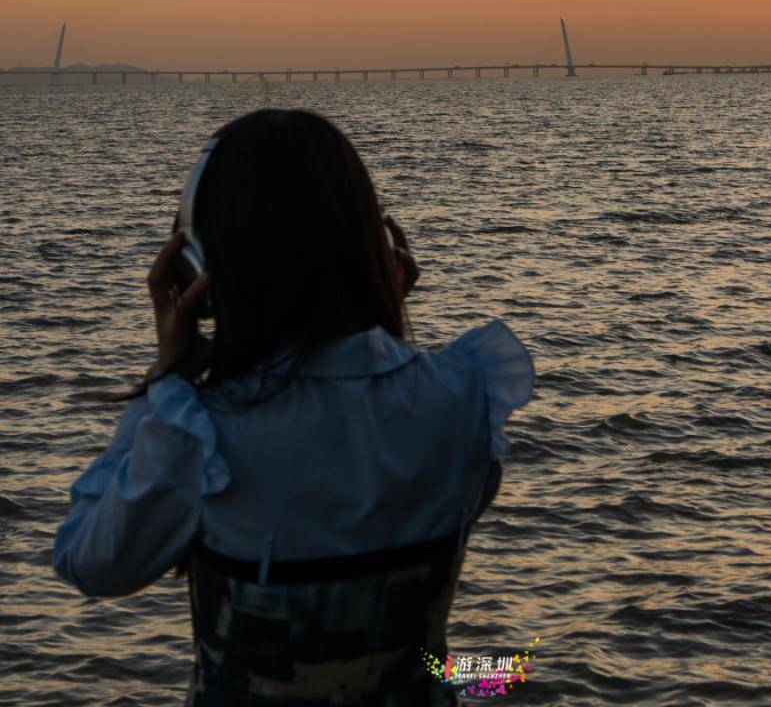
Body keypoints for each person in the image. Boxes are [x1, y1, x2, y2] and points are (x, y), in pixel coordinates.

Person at [53, 108, 535, 705]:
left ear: (200, 269)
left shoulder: (202, 432)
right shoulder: (462, 395)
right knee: (504, 666)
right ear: (373, 244)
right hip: (428, 687)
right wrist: (387, 322)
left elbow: (88, 560)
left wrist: (166, 377)